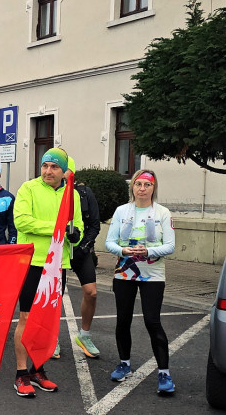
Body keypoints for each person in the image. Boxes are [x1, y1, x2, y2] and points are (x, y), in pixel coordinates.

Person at [10, 147, 83, 397]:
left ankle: (38, 370)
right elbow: (22, 221)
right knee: (27, 319)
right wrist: (59, 227)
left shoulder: (71, 193)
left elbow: (78, 226)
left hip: (57, 266)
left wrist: (75, 235)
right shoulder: (28, 188)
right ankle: (21, 374)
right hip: (32, 263)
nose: (48, 171)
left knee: (46, 322)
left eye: (54, 167)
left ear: (64, 171)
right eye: (45, 166)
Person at [105, 168, 177, 394]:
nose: (142, 189)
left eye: (148, 185)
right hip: (124, 273)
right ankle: (124, 363)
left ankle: (164, 373)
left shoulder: (163, 213)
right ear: (132, 187)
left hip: (152, 275)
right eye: (139, 184)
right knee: (123, 320)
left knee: (152, 321)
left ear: (154, 188)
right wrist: (124, 249)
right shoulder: (121, 211)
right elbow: (109, 242)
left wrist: (148, 251)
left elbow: (170, 245)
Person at [69, 181, 102, 359]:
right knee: (54, 296)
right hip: (59, 249)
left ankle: (84, 335)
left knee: (91, 293)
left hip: (81, 249)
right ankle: (52, 339)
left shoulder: (84, 193)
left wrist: (83, 246)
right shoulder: (50, 193)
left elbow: (95, 225)